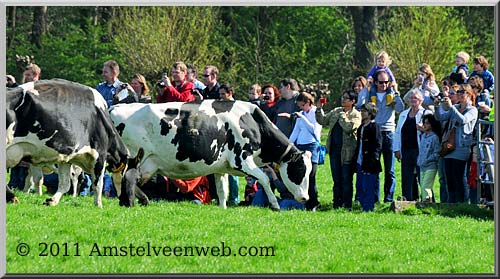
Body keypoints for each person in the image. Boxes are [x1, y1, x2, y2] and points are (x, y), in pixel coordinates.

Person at [359, 70, 404, 203]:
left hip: (389, 132)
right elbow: (359, 102)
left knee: (390, 169)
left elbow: (400, 108)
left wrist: (396, 92)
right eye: (380, 82)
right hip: (374, 132)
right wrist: (367, 87)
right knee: (374, 166)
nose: (383, 85)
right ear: (376, 82)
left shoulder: (391, 95)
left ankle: (388, 199)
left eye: (386, 82)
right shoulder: (370, 94)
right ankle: (375, 198)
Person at [315, 90, 361, 209]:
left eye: (346, 98)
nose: (343, 100)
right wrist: (319, 109)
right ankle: (336, 204)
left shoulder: (356, 114)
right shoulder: (336, 111)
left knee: (346, 179)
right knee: (336, 180)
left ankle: (347, 204)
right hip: (334, 151)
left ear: (353, 101)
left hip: (347, 153)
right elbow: (323, 121)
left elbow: (349, 128)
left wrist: (343, 116)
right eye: (342, 97)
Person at [435, 84, 478, 203]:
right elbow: (440, 118)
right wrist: (436, 106)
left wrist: (451, 108)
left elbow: (463, 120)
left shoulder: (472, 110)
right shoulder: (456, 107)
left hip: (462, 147)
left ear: (469, 94)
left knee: (459, 177)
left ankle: (462, 203)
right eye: (458, 92)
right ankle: (451, 203)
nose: (459, 94)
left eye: (462, 92)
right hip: (449, 147)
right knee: (449, 177)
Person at [7, 64, 42, 190]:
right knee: (17, 155)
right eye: (25, 75)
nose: (26, 77)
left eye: (29, 75)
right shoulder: (23, 87)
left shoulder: (41, 88)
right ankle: (13, 184)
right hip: (21, 127)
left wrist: (15, 85)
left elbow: (29, 98)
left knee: (27, 159)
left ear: (36, 75)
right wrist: (13, 85)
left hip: (34, 129)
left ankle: (26, 186)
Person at [394, 89, 431, 201]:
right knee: (406, 177)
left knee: (422, 177)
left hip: (420, 150)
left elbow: (433, 131)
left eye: (415, 98)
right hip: (406, 149)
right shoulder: (403, 114)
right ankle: (408, 200)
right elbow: (398, 132)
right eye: (411, 98)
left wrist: (423, 129)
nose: (413, 100)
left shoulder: (426, 114)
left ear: (421, 100)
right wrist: (397, 149)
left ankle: (427, 200)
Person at [289, 92, 322, 211]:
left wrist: (302, 117)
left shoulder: (315, 113)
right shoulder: (301, 114)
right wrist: (289, 144)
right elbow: (296, 131)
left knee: (311, 175)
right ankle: (305, 202)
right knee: (302, 176)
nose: (301, 108)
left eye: (302, 105)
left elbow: (314, 130)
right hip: (301, 146)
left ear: (308, 103)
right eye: (299, 106)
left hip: (312, 146)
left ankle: (314, 202)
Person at [354, 103, 382, 212]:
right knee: (360, 185)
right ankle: (362, 205)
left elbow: (378, 145)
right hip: (360, 161)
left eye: (364, 111)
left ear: (370, 114)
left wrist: (374, 159)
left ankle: (368, 207)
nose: (362, 113)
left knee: (369, 186)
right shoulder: (361, 127)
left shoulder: (374, 126)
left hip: (370, 162)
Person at [219, 84, 240, 206]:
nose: (221, 97)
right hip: (223, 141)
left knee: (233, 172)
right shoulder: (221, 105)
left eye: (223, 94)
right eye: (220, 94)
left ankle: (234, 199)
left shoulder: (237, 106)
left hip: (235, 142)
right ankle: (223, 198)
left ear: (230, 92)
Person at [417, 114, 441, 202]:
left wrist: (428, 160)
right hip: (422, 165)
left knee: (426, 185)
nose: (425, 125)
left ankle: (427, 202)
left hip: (431, 166)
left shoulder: (434, 137)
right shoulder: (423, 136)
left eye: (427, 123)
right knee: (422, 185)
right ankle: (424, 201)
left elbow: (437, 152)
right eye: (424, 123)